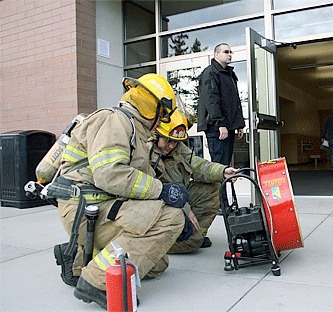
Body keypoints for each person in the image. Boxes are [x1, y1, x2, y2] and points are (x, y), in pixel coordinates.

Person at [52, 73, 192, 309]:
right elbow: (110, 175)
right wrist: (164, 193)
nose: (162, 120)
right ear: (154, 108)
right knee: (169, 220)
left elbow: (142, 181)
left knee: (156, 265)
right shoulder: (116, 122)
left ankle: (76, 258)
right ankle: (96, 283)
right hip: (86, 209)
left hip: (100, 207)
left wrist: (182, 207)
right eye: (163, 114)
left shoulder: (136, 132)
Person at [151, 110, 239, 252]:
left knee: (213, 187)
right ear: (156, 135)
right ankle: (168, 243)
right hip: (161, 206)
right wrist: (186, 209)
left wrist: (222, 171)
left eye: (174, 142)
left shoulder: (177, 148)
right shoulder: (146, 155)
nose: (171, 146)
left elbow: (198, 165)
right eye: (167, 141)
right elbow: (159, 192)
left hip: (179, 198)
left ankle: (196, 234)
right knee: (191, 244)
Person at [197, 43, 245, 165]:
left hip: (227, 126)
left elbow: (234, 101)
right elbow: (211, 100)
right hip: (216, 127)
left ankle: (224, 185)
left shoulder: (229, 74)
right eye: (226, 52)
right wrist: (220, 124)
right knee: (219, 166)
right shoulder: (210, 73)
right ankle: (219, 185)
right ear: (216, 54)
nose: (229, 55)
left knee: (225, 166)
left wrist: (239, 124)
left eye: (230, 52)